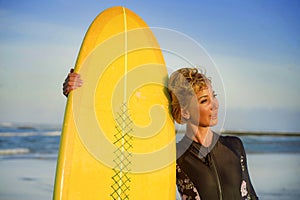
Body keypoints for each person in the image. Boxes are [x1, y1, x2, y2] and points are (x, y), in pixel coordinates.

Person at [62, 67, 258, 200]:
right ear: (185, 111)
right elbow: (116, 142)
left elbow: (251, 195)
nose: (214, 105)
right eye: (204, 100)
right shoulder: (173, 157)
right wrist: (78, 95)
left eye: (213, 96)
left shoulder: (234, 145)